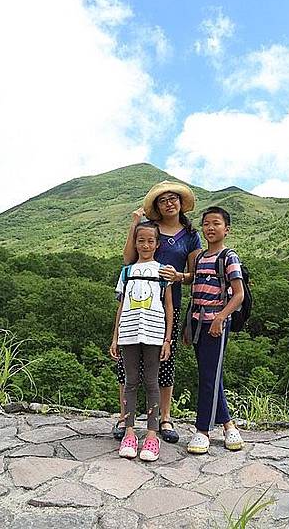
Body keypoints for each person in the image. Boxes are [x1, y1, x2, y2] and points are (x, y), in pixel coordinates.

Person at [111, 180, 202, 444]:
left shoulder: (190, 234)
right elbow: (128, 259)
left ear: (181, 202)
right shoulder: (149, 230)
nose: (169, 203)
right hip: (137, 305)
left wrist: (179, 276)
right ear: (156, 206)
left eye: (173, 198)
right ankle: (124, 417)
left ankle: (164, 417)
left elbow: (194, 274)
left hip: (167, 303)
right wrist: (133, 225)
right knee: (127, 365)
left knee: (164, 362)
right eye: (163, 200)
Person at [110, 221, 173, 461]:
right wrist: (115, 336)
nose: (145, 245)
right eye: (140, 240)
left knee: (151, 382)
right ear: (135, 243)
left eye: (150, 241)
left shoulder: (163, 271)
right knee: (130, 381)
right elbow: (121, 306)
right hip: (128, 333)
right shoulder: (126, 271)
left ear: (157, 244)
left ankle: (151, 435)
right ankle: (128, 432)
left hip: (155, 333)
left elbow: (168, 306)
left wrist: (167, 339)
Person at [185, 206, 245, 455]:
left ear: (226, 229)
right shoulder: (199, 258)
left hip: (216, 325)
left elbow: (238, 294)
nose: (210, 228)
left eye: (216, 223)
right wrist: (189, 326)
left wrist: (221, 318)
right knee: (211, 375)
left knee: (208, 377)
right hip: (198, 322)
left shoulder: (228, 257)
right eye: (206, 223)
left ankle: (202, 431)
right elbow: (194, 286)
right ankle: (229, 425)